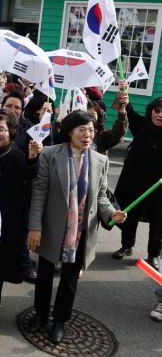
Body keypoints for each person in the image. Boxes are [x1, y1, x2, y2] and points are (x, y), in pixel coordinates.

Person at [27, 111, 127, 344]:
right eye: (82, 130)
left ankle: (60, 321)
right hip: (52, 227)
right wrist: (35, 227)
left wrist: (111, 213)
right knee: (44, 275)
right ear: (69, 131)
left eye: (91, 130)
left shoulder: (100, 160)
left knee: (70, 279)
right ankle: (40, 314)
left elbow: (101, 196)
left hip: (81, 230)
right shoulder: (50, 154)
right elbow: (39, 192)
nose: (87, 135)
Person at [0, 111, 41, 329]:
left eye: (1, 129)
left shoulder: (17, 155)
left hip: (4, 223)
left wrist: (33, 157)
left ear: (11, 132)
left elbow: (28, 173)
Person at [112, 92, 162, 269]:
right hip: (135, 182)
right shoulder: (141, 125)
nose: (160, 115)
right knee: (130, 214)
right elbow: (129, 109)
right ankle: (126, 246)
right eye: (157, 110)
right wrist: (123, 94)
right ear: (151, 111)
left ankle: (154, 254)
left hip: (159, 187)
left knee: (158, 220)